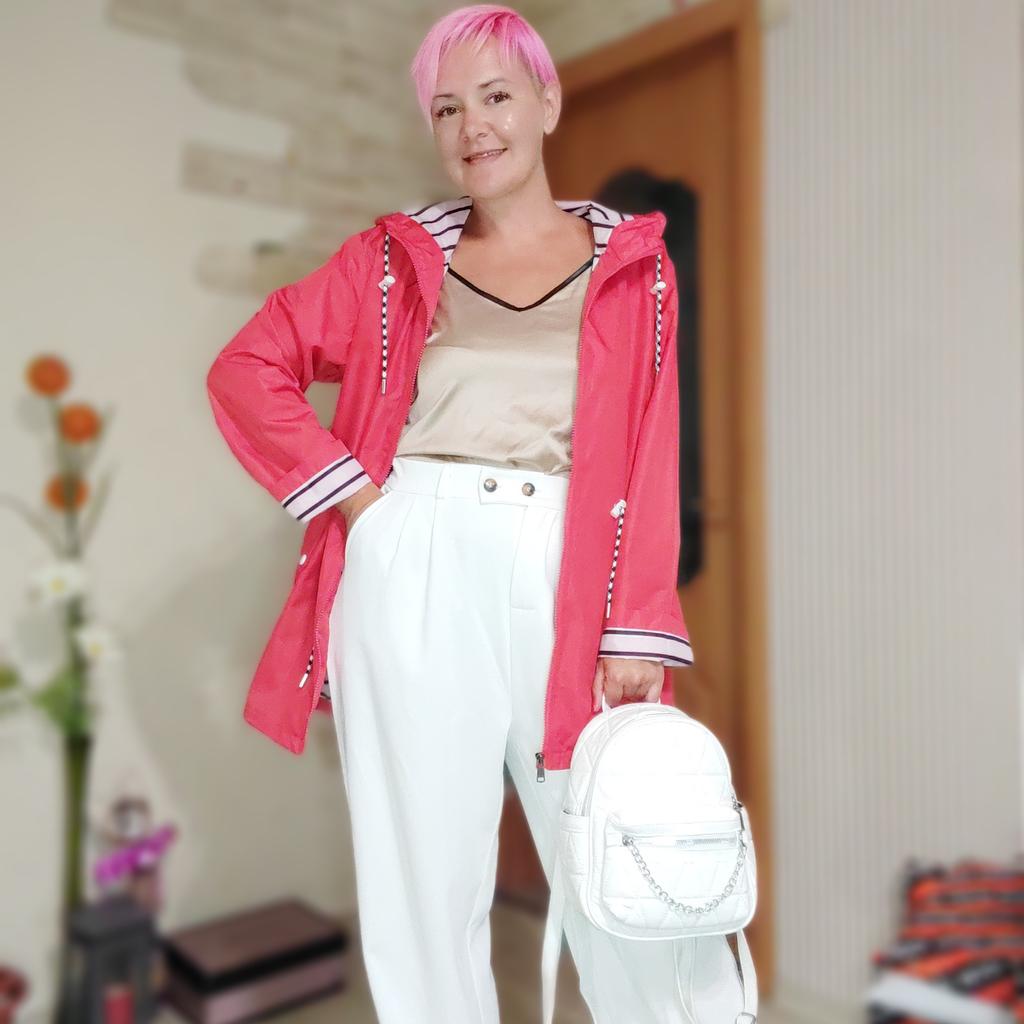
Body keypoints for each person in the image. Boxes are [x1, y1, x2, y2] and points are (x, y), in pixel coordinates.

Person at [207, 4, 747, 1022]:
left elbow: (650, 450)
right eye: (447, 108)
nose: (472, 126)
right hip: (412, 553)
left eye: (496, 96)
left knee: (617, 846)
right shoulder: (389, 261)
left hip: (567, 566)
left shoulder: (637, 267)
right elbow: (247, 368)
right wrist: (365, 508)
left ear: (547, 101)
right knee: (423, 880)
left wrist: (635, 624)